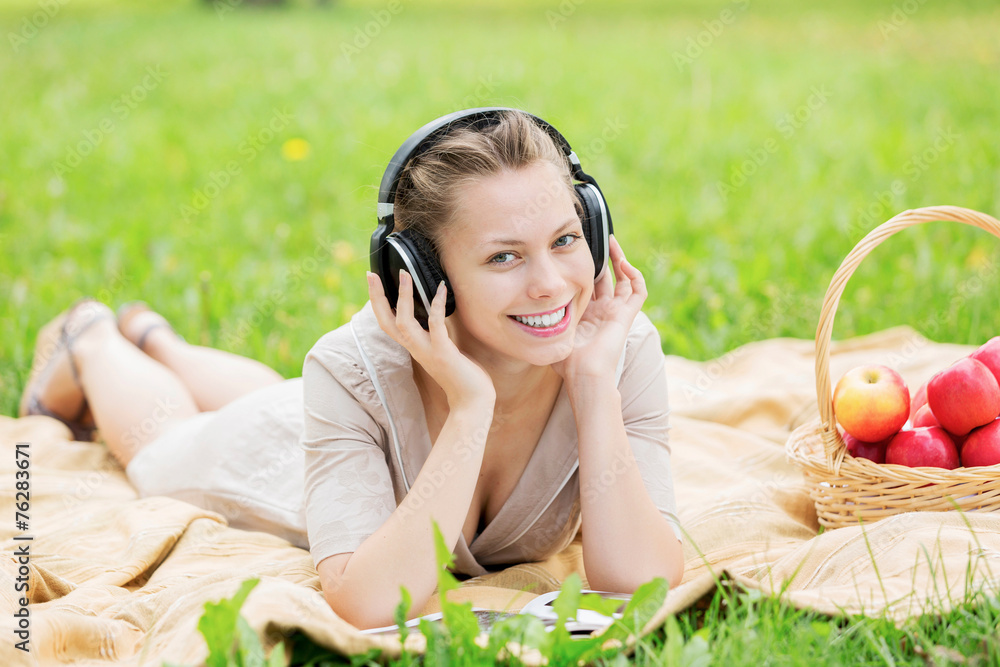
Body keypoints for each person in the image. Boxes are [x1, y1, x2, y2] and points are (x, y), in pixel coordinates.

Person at [19, 108, 683, 630]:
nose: (550, 285)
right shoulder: (350, 369)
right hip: (281, 456)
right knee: (164, 447)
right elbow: (369, 602)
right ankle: (95, 339)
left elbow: (642, 578)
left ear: (593, 229)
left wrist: (594, 385)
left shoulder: (613, 348)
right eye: (504, 257)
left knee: (283, 395)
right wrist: (470, 404)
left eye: (566, 240)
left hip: (309, 405)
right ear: (422, 275)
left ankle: (156, 337)